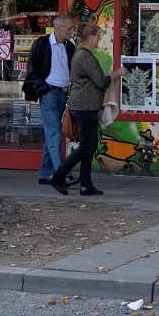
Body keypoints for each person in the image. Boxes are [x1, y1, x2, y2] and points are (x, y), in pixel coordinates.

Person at [49, 23, 127, 196]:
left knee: (89, 146)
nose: (99, 39)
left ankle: (85, 184)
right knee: (86, 146)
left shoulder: (82, 55)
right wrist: (117, 73)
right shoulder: (84, 56)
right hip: (85, 107)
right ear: (90, 37)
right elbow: (100, 81)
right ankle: (59, 175)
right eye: (97, 36)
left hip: (85, 106)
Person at [24, 15, 76, 185]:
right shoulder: (41, 44)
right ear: (59, 28)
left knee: (51, 134)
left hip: (63, 94)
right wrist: (43, 90)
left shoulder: (70, 47)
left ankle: (46, 173)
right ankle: (61, 174)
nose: (71, 31)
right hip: (49, 94)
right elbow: (32, 70)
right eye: (69, 28)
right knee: (55, 134)